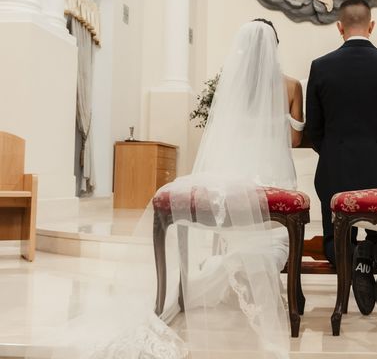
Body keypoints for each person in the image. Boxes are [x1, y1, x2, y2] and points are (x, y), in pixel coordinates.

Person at [32, 20, 304, 359]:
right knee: (277, 233)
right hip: (273, 175)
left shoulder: (233, 88)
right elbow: (294, 139)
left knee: (231, 220)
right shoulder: (291, 86)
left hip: (233, 173)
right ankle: (258, 277)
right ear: (275, 46)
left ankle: (212, 275)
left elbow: (225, 132)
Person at [305, 0, 377, 319]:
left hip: (335, 172)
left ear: (339, 27)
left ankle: (355, 258)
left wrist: (335, 153)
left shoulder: (321, 67)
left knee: (335, 239)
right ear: (371, 25)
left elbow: (314, 128)